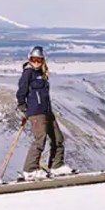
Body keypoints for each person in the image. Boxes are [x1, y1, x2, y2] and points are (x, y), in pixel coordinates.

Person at [16, 46, 72, 180]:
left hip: (46, 111)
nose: (36, 62)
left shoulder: (42, 73)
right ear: (29, 59)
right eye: (33, 59)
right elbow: (21, 91)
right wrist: (22, 107)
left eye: (39, 59)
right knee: (40, 140)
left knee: (58, 138)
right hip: (36, 112)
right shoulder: (28, 73)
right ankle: (30, 170)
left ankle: (56, 166)